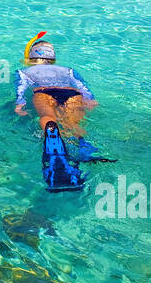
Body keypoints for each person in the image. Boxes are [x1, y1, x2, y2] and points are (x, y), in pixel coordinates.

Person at [13, 33, 109, 192]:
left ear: (31, 58)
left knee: (48, 117)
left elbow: (21, 88)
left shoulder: (24, 71)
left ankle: (51, 131)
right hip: (71, 93)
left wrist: (20, 103)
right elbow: (82, 86)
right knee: (72, 124)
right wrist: (90, 99)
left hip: (44, 92)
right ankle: (79, 153)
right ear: (53, 58)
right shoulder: (68, 70)